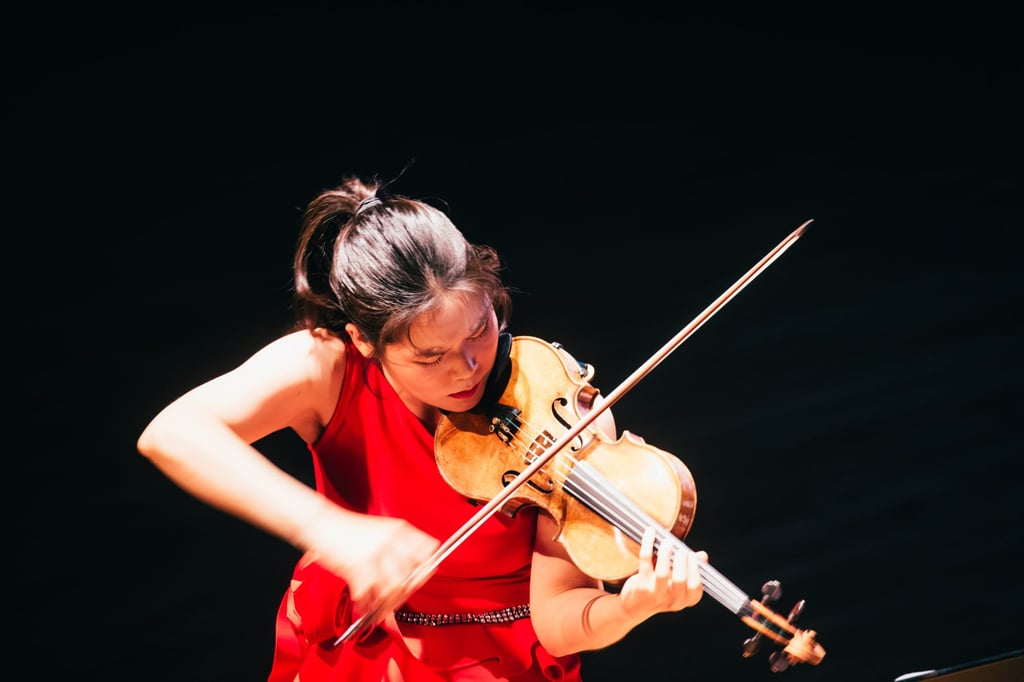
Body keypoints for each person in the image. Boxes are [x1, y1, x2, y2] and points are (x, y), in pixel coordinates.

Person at [136, 173, 708, 681]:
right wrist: (329, 528)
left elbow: (559, 622)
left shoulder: (563, 411)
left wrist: (632, 606)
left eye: (479, 330)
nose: (466, 369)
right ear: (365, 341)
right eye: (429, 357)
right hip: (367, 654)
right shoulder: (328, 369)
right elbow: (174, 432)